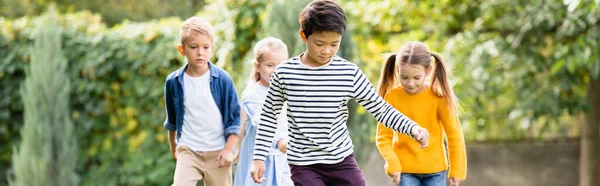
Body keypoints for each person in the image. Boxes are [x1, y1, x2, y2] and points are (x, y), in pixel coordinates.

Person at [250, 1, 430, 186]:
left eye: (334, 44)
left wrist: (412, 128)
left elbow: (381, 109)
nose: (327, 50)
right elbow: (269, 116)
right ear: (304, 36)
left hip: (341, 160)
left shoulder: (348, 72)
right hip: (303, 164)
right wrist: (259, 158)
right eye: (319, 43)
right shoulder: (286, 73)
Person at [376, 41, 467, 186]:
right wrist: (393, 164)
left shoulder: (439, 97)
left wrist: (457, 170)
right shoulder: (392, 97)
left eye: (416, 78)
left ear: (428, 70)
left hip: (436, 171)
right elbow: (383, 137)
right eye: (404, 77)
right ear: (398, 70)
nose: (410, 83)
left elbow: (454, 134)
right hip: (405, 172)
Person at [163, 16, 240, 186]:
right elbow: (172, 120)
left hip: (218, 152)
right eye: (193, 47)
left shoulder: (223, 79)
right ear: (181, 49)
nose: (200, 52)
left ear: (212, 48)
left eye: (205, 47)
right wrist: (172, 145)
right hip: (188, 150)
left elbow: (235, 118)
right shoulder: (173, 82)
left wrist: (228, 149)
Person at [234, 37, 294, 186]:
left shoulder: (287, 91)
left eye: (281, 65)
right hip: (261, 158)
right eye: (270, 65)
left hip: (283, 157)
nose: (275, 70)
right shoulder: (252, 93)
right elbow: (262, 122)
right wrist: (280, 140)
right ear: (257, 66)